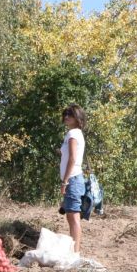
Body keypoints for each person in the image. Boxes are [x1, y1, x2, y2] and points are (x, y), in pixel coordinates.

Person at [59, 104, 86, 253]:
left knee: (73, 217)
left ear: (78, 117)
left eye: (70, 114)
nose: (67, 117)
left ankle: (75, 253)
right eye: (65, 114)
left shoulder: (73, 134)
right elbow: (70, 156)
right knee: (71, 216)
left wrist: (65, 181)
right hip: (75, 178)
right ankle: (74, 251)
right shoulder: (75, 133)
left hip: (73, 179)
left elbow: (73, 158)